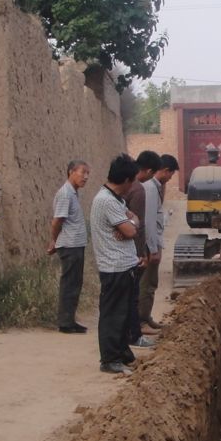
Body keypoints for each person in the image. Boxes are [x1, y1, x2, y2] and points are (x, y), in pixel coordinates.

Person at [91, 154, 141, 374]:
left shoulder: (117, 200)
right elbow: (131, 230)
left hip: (124, 265)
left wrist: (130, 224)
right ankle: (109, 359)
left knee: (123, 314)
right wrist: (130, 226)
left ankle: (122, 353)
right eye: (133, 181)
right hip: (114, 267)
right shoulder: (106, 201)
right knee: (113, 315)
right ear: (127, 180)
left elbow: (134, 219)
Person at [47, 159, 90, 334]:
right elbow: (57, 221)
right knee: (70, 283)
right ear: (71, 172)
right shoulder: (65, 194)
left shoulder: (73, 193)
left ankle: (69, 320)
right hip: (70, 245)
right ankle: (65, 322)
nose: (86, 177)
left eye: (88, 174)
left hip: (76, 244)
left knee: (75, 283)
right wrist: (54, 240)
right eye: (83, 172)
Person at [124, 150, 161, 347]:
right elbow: (141, 224)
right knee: (134, 294)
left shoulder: (125, 190)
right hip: (134, 252)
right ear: (147, 170)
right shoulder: (139, 190)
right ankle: (134, 333)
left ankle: (132, 331)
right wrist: (144, 252)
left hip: (126, 251)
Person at [139, 153, 179, 329]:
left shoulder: (154, 187)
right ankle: (141, 320)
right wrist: (153, 249)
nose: (170, 179)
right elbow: (148, 220)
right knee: (146, 284)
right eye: (171, 174)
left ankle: (146, 317)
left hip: (152, 244)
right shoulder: (150, 188)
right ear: (165, 170)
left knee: (151, 283)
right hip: (149, 247)